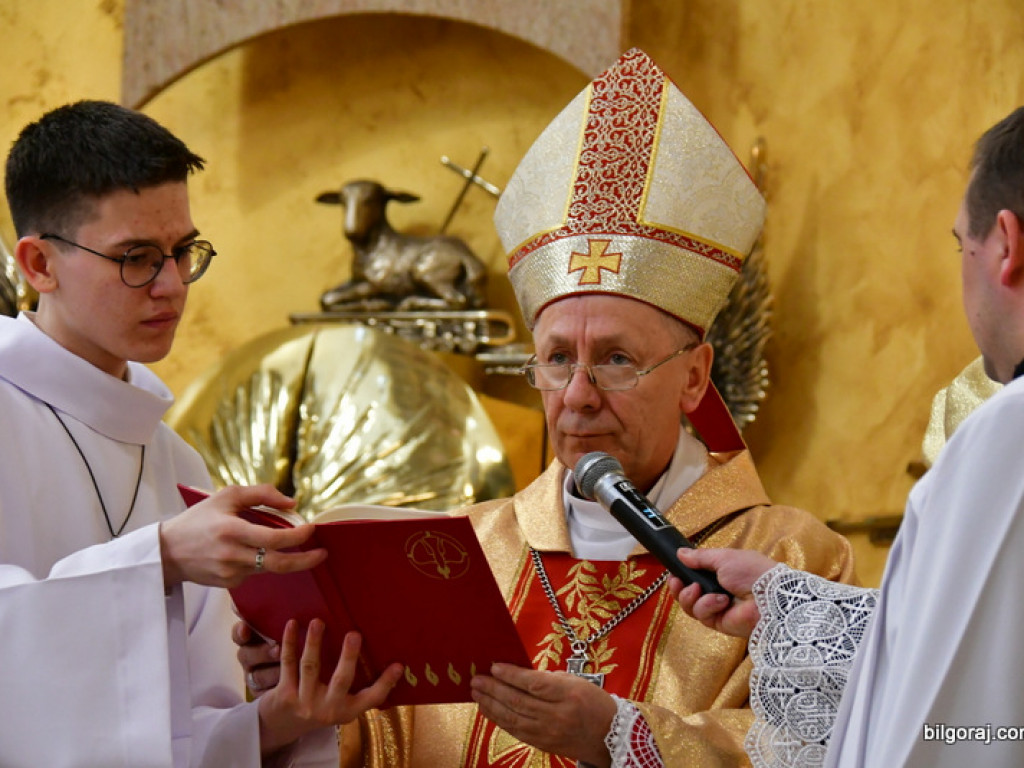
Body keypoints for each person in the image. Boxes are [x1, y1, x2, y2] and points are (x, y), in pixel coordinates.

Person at [237, 48, 856, 767]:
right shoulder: (460, 556)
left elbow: (819, 747)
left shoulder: (789, 559)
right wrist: (306, 702)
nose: (578, 395)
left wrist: (619, 736)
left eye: (617, 360)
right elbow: (383, 742)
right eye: (558, 359)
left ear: (694, 378)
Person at [0, 99, 402, 767]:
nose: (172, 287)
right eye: (136, 258)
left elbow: (181, 737)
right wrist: (157, 559)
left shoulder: (172, 458)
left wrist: (280, 716)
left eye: (183, 252)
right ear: (39, 264)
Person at [673, 105, 1024, 767]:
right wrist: (792, 607)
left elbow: (956, 722)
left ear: (1006, 245)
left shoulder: (1005, 439)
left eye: (961, 245)